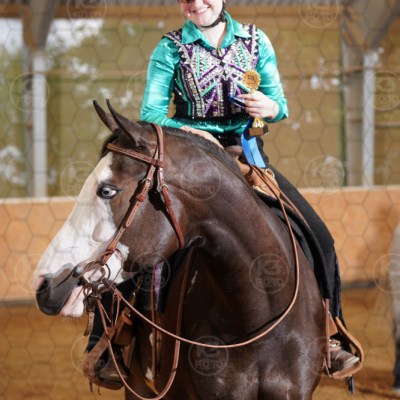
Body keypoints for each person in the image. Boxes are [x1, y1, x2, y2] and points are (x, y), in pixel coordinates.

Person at [97, 0, 362, 384]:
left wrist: (269, 106)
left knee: (319, 236)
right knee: (143, 236)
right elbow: (150, 113)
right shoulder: (169, 48)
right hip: (192, 164)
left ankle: (330, 332)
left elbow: (280, 105)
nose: (195, 2)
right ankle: (115, 337)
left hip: (247, 158)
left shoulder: (256, 40)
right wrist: (195, 134)